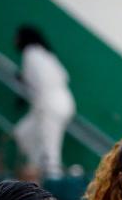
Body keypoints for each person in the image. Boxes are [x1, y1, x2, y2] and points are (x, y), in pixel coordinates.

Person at [13, 25, 76, 180]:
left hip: (51, 103)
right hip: (59, 101)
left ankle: (54, 182)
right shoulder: (44, 53)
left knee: (50, 149)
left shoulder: (31, 53)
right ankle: (35, 170)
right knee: (23, 132)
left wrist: (23, 80)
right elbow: (64, 75)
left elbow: (38, 82)